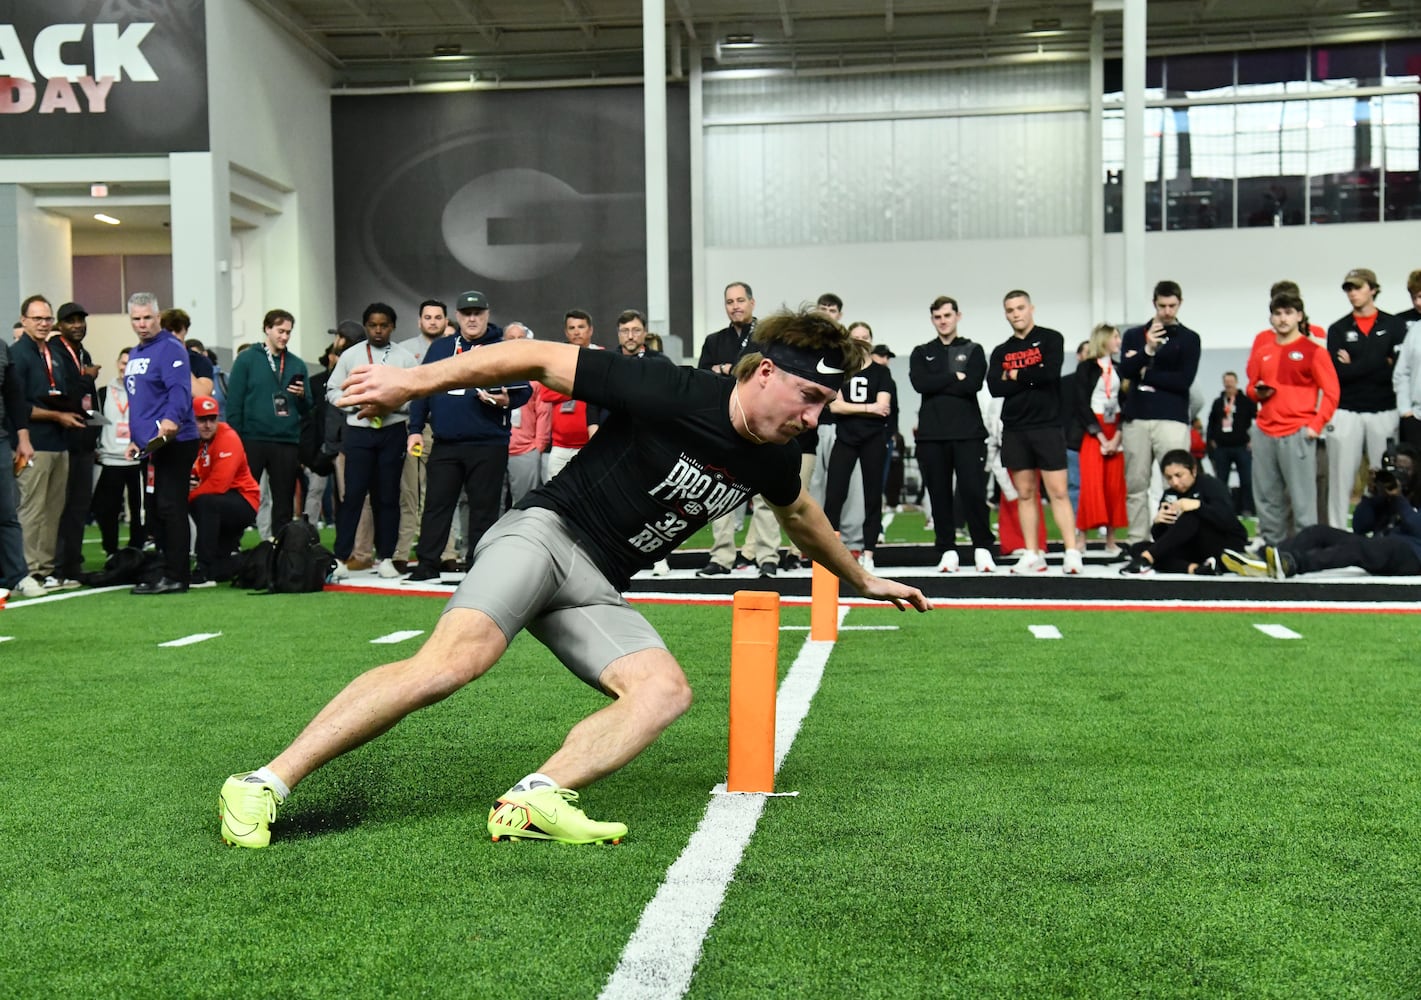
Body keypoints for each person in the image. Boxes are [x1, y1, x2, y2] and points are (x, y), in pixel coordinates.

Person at [218, 306, 931, 850]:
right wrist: (413, 379)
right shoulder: (673, 389)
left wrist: (860, 578)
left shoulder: (772, 456)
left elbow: (802, 516)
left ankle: (534, 798)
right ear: (763, 373)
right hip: (543, 535)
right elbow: (532, 355)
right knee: (454, 662)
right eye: (806, 398)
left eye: (822, 408)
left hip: (593, 584)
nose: (810, 419)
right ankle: (261, 783)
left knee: (663, 692)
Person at [407, 290, 530, 582]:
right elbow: (421, 389)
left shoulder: (502, 348)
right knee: (436, 505)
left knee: (485, 509)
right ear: (458, 316)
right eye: (466, 313)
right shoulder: (441, 348)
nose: (472, 318)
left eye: (478, 313)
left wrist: (504, 401)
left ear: (487, 314)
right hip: (446, 442)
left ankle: (480, 566)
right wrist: (414, 430)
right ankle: (427, 564)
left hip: (488, 442)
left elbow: (523, 390)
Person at [987, 290, 1082, 574]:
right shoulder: (1001, 351)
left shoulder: (1051, 338)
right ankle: (1032, 553)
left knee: (1059, 492)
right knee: (1025, 494)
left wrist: (1015, 375)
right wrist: (1030, 377)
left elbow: (1049, 374)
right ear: (1005, 314)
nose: (1016, 313)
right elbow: (995, 387)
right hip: (1015, 427)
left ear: (1031, 308)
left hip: (1047, 425)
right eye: (1010, 310)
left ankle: (1071, 552)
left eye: (1020, 308)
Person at [1225, 443, 1421, 579]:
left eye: (1406, 469)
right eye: (1396, 469)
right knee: (1319, 532)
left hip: (1411, 555)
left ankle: (1292, 564)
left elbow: (1417, 528)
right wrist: (1372, 495)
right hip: (1380, 547)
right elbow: (1360, 526)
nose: (1400, 475)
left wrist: (1399, 499)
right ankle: (1264, 559)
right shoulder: (1388, 494)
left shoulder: (1412, 496)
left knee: (1359, 549)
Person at [696, 282, 785, 577]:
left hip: (761, 423)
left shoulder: (767, 338)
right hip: (723, 424)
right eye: (729, 302)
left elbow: (771, 378)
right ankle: (721, 557)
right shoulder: (713, 341)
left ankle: (767, 556)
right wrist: (729, 371)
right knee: (719, 489)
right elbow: (703, 378)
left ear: (752, 303)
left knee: (764, 494)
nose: (735, 306)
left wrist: (727, 370)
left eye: (740, 300)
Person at [327, 303, 418, 580]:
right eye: (373, 325)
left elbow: (416, 394)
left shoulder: (404, 358)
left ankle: (386, 557)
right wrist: (355, 406)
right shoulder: (351, 356)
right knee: (353, 495)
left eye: (384, 325)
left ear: (392, 326)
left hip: (392, 431)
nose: (378, 330)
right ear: (366, 326)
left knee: (388, 496)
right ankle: (341, 556)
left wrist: (392, 407)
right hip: (358, 431)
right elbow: (331, 390)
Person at [1246, 291, 1340, 547]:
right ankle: (1272, 549)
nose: (1283, 319)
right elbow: (1251, 387)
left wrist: (1314, 425)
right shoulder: (1262, 351)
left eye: (1288, 313)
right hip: (1265, 431)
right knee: (1266, 497)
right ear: (1271, 318)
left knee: (1303, 499)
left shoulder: (1313, 351)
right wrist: (1258, 392)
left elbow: (1332, 392)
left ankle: (1305, 552)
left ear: (1299, 316)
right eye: (1277, 313)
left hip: (1298, 430)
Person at [910, 295, 994, 573]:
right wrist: (952, 378)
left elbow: (972, 384)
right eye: (938, 317)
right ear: (932, 319)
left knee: (973, 491)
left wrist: (941, 383)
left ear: (958, 316)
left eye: (947, 315)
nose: (943, 321)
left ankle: (982, 548)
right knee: (939, 494)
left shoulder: (974, 349)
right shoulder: (921, 351)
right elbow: (920, 383)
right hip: (932, 435)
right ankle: (947, 550)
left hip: (968, 434)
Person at [124, 292, 200, 594]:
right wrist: (135, 439)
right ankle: (165, 570)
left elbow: (180, 392)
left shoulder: (170, 348)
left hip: (175, 440)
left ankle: (177, 576)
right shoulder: (134, 353)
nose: (142, 324)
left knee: (171, 508)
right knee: (155, 509)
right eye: (136, 319)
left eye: (147, 318)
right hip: (150, 445)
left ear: (158, 317)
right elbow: (139, 401)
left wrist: (170, 422)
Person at [1117, 280, 1202, 546]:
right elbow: (1125, 372)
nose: (1167, 311)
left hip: (1172, 417)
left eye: (1172, 306)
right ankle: (1137, 541)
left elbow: (1183, 381)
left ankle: (1174, 540)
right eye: (1162, 305)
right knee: (1136, 484)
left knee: (1177, 483)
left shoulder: (1189, 338)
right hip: (1137, 417)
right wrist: (1147, 350)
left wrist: (1147, 373)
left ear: (1180, 304)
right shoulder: (1134, 335)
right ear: (1154, 303)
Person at [10, 294, 85, 591]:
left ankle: (45, 569)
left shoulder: (51, 353)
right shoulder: (18, 354)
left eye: (47, 318)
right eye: (37, 318)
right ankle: (26, 571)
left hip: (59, 441)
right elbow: (18, 404)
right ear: (24, 320)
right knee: (32, 507)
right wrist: (56, 415)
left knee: (54, 508)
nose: (43, 324)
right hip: (33, 442)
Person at [1324, 268, 1402, 529]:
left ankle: (1386, 529)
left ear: (1373, 289)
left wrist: (1355, 363)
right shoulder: (1337, 329)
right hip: (1348, 411)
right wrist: (1380, 361)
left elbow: (1397, 371)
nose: (1353, 293)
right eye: (1348, 288)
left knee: (1387, 477)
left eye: (1357, 287)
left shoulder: (1394, 325)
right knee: (1340, 478)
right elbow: (1339, 374)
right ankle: (1336, 531)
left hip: (1384, 410)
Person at [225, 309, 310, 539]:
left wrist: (302, 396)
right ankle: (231, 546)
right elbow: (234, 404)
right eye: (280, 331)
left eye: (288, 333)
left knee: (283, 501)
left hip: (286, 440)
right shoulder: (247, 359)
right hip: (252, 439)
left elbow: (307, 408)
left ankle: (281, 553)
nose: (284, 337)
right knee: (244, 497)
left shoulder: (297, 364)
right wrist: (235, 441)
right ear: (267, 329)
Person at [823, 321, 896, 573]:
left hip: (873, 441)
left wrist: (856, 408)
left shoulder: (881, 373)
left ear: (871, 339)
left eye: (865, 336)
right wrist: (868, 408)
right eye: (856, 337)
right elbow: (835, 406)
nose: (861, 341)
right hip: (846, 439)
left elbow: (884, 407)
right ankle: (832, 551)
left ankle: (869, 552)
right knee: (834, 495)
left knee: (872, 496)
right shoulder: (841, 371)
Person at [1119, 449, 1245, 575]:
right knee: (1138, 548)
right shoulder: (1170, 494)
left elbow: (1228, 520)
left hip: (1222, 544)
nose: (1175, 482)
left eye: (1179, 475)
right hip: (1192, 547)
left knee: (1191, 515)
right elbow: (1163, 540)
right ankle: (1196, 569)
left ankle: (1146, 559)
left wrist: (1198, 506)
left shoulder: (1211, 485)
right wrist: (1158, 523)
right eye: (1169, 478)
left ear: (1193, 471)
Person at [396, 298, 452, 571]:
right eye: (427, 317)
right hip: (415, 429)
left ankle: (448, 553)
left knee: (444, 494)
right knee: (411, 494)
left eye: (437, 317)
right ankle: (403, 553)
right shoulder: (405, 351)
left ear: (446, 321)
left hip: (446, 429)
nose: (432, 322)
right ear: (420, 321)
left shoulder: (457, 349)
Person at [51, 301, 100, 585]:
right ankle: (57, 565)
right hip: (65, 440)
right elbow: (65, 393)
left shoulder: (82, 352)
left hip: (83, 441)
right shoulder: (56, 352)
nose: (78, 325)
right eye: (71, 321)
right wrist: (86, 377)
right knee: (63, 506)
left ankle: (71, 563)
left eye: (81, 320)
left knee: (80, 507)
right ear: (60, 325)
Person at [189, 395, 259, 585]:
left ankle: (203, 566)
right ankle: (234, 559)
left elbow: (218, 484)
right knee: (220, 568)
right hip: (224, 500)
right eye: (202, 419)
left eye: (212, 419)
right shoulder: (195, 440)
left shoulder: (228, 438)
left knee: (203, 502)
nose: (208, 424)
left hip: (243, 499)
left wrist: (187, 496)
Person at [1074, 324, 1128, 555]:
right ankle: (1081, 538)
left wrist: (1117, 436)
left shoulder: (1121, 369)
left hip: (1115, 427)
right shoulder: (1086, 368)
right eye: (1115, 337)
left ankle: (1111, 540)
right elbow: (1080, 403)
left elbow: (1127, 402)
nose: (1119, 341)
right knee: (1091, 484)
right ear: (1104, 339)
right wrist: (1098, 435)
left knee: (1114, 486)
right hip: (1093, 430)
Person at [92, 347, 144, 557]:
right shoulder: (104, 392)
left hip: (137, 460)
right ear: (117, 364)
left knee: (139, 510)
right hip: (110, 459)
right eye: (123, 363)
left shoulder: (143, 391)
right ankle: (111, 550)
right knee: (107, 510)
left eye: (130, 364)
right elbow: (94, 422)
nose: (125, 368)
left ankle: (137, 548)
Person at [538, 310, 601, 481]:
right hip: (560, 447)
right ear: (566, 332)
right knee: (556, 498)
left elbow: (604, 389)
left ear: (590, 330)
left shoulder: (602, 356)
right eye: (571, 328)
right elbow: (546, 393)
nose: (576, 331)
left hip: (592, 444)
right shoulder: (557, 358)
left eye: (581, 327)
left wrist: (566, 384)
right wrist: (583, 386)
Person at [0, 329, 40, 599]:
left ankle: (17, 576)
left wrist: (23, 437)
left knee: (6, 512)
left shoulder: (2, 348)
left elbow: (14, 396)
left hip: (0, 439)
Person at [502, 321, 551, 509]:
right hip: (496, 449)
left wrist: (538, 447)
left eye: (520, 338)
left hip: (525, 452)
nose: (515, 342)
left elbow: (544, 413)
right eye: (511, 338)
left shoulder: (535, 374)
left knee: (523, 506)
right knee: (491, 505)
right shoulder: (493, 371)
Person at [1205, 371, 1257, 517]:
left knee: (1246, 480)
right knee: (1221, 481)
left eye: (1231, 381)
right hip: (1222, 448)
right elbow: (1211, 423)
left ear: (1236, 382)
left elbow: (1258, 419)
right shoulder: (1218, 402)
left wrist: (1254, 440)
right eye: (1226, 381)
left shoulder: (1245, 402)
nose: (1228, 384)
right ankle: (1224, 510)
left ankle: (1248, 509)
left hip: (1242, 447)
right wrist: (1211, 442)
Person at [1394, 269, 1421, 453]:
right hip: (1417, 416)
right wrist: (1406, 410)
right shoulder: (1415, 331)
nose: (1418, 303)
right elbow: (1401, 373)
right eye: (1414, 297)